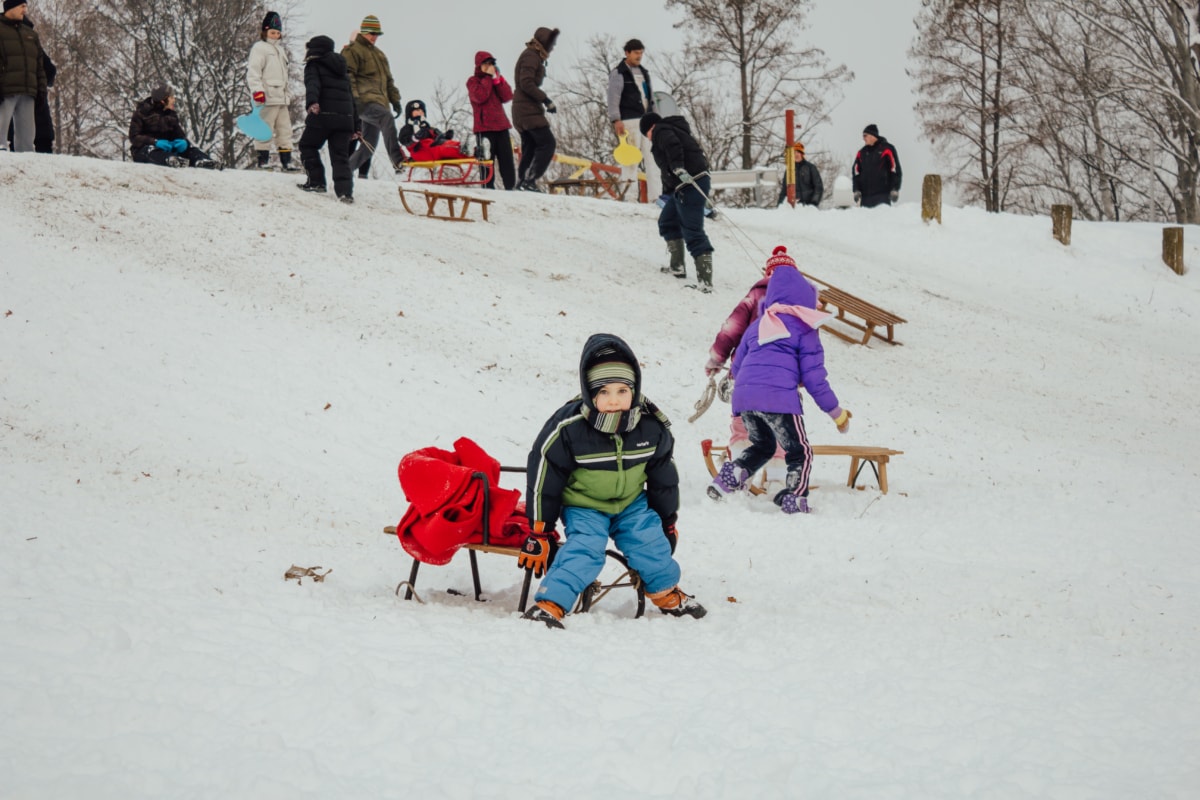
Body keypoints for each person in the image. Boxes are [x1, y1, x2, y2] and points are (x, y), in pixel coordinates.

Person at [520, 333, 707, 629]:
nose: (614, 401)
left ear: (634, 390)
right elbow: (544, 476)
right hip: (584, 505)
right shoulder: (569, 427)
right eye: (604, 392)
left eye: (622, 391)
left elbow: (663, 479)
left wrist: (667, 521)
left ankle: (665, 592)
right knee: (586, 547)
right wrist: (540, 531)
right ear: (589, 393)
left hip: (630, 503)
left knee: (650, 541)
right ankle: (550, 604)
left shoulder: (651, 426)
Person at [708, 251, 850, 514]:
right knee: (800, 451)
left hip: (745, 400)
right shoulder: (805, 328)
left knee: (763, 445)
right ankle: (795, 498)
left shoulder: (760, 324)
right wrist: (836, 413)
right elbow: (814, 377)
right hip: (779, 401)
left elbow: (738, 365)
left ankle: (729, 477)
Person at [704, 248, 795, 464]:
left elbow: (731, 328)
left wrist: (717, 358)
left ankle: (737, 474)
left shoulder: (755, 295)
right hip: (782, 382)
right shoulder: (802, 303)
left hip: (747, 376)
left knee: (743, 426)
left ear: (768, 272)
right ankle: (776, 481)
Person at [641, 111, 715, 292]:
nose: (649, 139)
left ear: (649, 128)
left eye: (646, 135)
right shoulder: (672, 129)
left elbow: (672, 146)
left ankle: (705, 281)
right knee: (667, 221)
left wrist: (678, 167)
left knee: (692, 229)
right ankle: (677, 266)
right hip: (683, 186)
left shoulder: (661, 130)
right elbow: (667, 170)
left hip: (690, 181)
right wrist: (666, 192)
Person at [296, 35, 357, 204]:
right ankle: (345, 193)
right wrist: (356, 125)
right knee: (340, 156)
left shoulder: (314, 64)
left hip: (323, 115)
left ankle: (316, 182)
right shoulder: (342, 69)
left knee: (307, 145)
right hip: (345, 119)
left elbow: (313, 84)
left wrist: (312, 102)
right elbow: (352, 98)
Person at [344, 15, 405, 175]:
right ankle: (398, 160)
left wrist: (395, 100)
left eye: (377, 34)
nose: (374, 37)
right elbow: (348, 76)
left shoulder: (379, 55)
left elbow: (388, 80)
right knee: (387, 118)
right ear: (363, 32)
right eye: (371, 33)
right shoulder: (353, 50)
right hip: (364, 101)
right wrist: (355, 99)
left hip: (379, 102)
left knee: (368, 146)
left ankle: (345, 171)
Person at [606, 38, 660, 202]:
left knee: (653, 160)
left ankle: (656, 197)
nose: (639, 56)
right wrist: (616, 120)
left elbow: (650, 97)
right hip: (629, 121)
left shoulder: (644, 72)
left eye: (641, 53)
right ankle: (629, 198)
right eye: (636, 53)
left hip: (647, 121)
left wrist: (656, 118)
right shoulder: (618, 73)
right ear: (627, 53)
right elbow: (613, 98)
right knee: (630, 161)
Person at [246, 11, 296, 171]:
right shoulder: (259, 48)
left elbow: (286, 75)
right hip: (266, 97)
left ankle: (286, 162)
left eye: (277, 33)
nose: (275, 35)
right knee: (264, 129)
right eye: (272, 32)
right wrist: (257, 91)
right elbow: (254, 72)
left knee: (285, 130)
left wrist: (287, 93)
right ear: (265, 31)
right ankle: (263, 161)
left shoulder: (281, 51)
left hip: (281, 98)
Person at [511, 26, 559, 192]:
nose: (553, 47)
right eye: (551, 44)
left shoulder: (533, 55)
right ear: (544, 43)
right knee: (547, 143)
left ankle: (523, 182)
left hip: (523, 108)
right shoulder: (531, 56)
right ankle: (530, 180)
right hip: (526, 109)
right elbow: (526, 83)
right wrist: (546, 99)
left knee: (530, 147)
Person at [128, 84, 218, 168]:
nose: (173, 100)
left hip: (168, 149)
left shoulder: (171, 115)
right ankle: (170, 160)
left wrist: (183, 142)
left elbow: (179, 134)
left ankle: (202, 161)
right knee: (150, 151)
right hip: (144, 151)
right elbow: (134, 137)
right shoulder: (142, 113)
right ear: (163, 100)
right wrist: (155, 142)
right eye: (171, 97)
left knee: (191, 150)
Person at [0, 0, 46, 154]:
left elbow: (39, 67)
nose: (25, 10)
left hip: (28, 92)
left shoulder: (31, 35)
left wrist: (41, 91)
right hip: (4, 91)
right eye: (22, 6)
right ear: (11, 7)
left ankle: (25, 164)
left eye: (25, 6)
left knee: (27, 142)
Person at [466, 50, 515, 190]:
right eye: (486, 64)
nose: (489, 66)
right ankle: (488, 189)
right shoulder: (473, 81)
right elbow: (480, 96)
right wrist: (488, 77)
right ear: (478, 66)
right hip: (484, 128)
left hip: (501, 126)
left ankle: (511, 189)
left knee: (507, 161)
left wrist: (497, 80)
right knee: (487, 161)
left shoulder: (495, 80)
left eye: (491, 64)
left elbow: (507, 96)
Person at [852, 124, 902, 208]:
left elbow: (895, 169)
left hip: (883, 196)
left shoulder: (887, 149)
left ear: (872, 136)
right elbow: (856, 173)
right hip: (865, 198)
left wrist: (895, 189)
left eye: (865, 135)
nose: (863, 138)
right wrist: (856, 190)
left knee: (882, 220)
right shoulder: (861, 153)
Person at [397, 99, 462, 161]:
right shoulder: (407, 128)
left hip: (431, 147)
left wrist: (445, 136)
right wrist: (415, 138)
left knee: (445, 144)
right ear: (410, 113)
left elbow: (435, 136)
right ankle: (463, 150)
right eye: (417, 110)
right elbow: (404, 140)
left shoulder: (426, 127)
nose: (420, 112)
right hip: (420, 152)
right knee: (442, 149)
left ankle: (464, 148)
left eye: (422, 111)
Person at [777, 142, 823, 207]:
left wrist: (813, 204)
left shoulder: (810, 168)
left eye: (798, 152)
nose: (796, 155)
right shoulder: (789, 170)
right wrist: (779, 206)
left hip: (809, 208)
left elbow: (818, 187)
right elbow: (784, 190)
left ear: (802, 154)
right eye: (794, 153)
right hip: (795, 208)